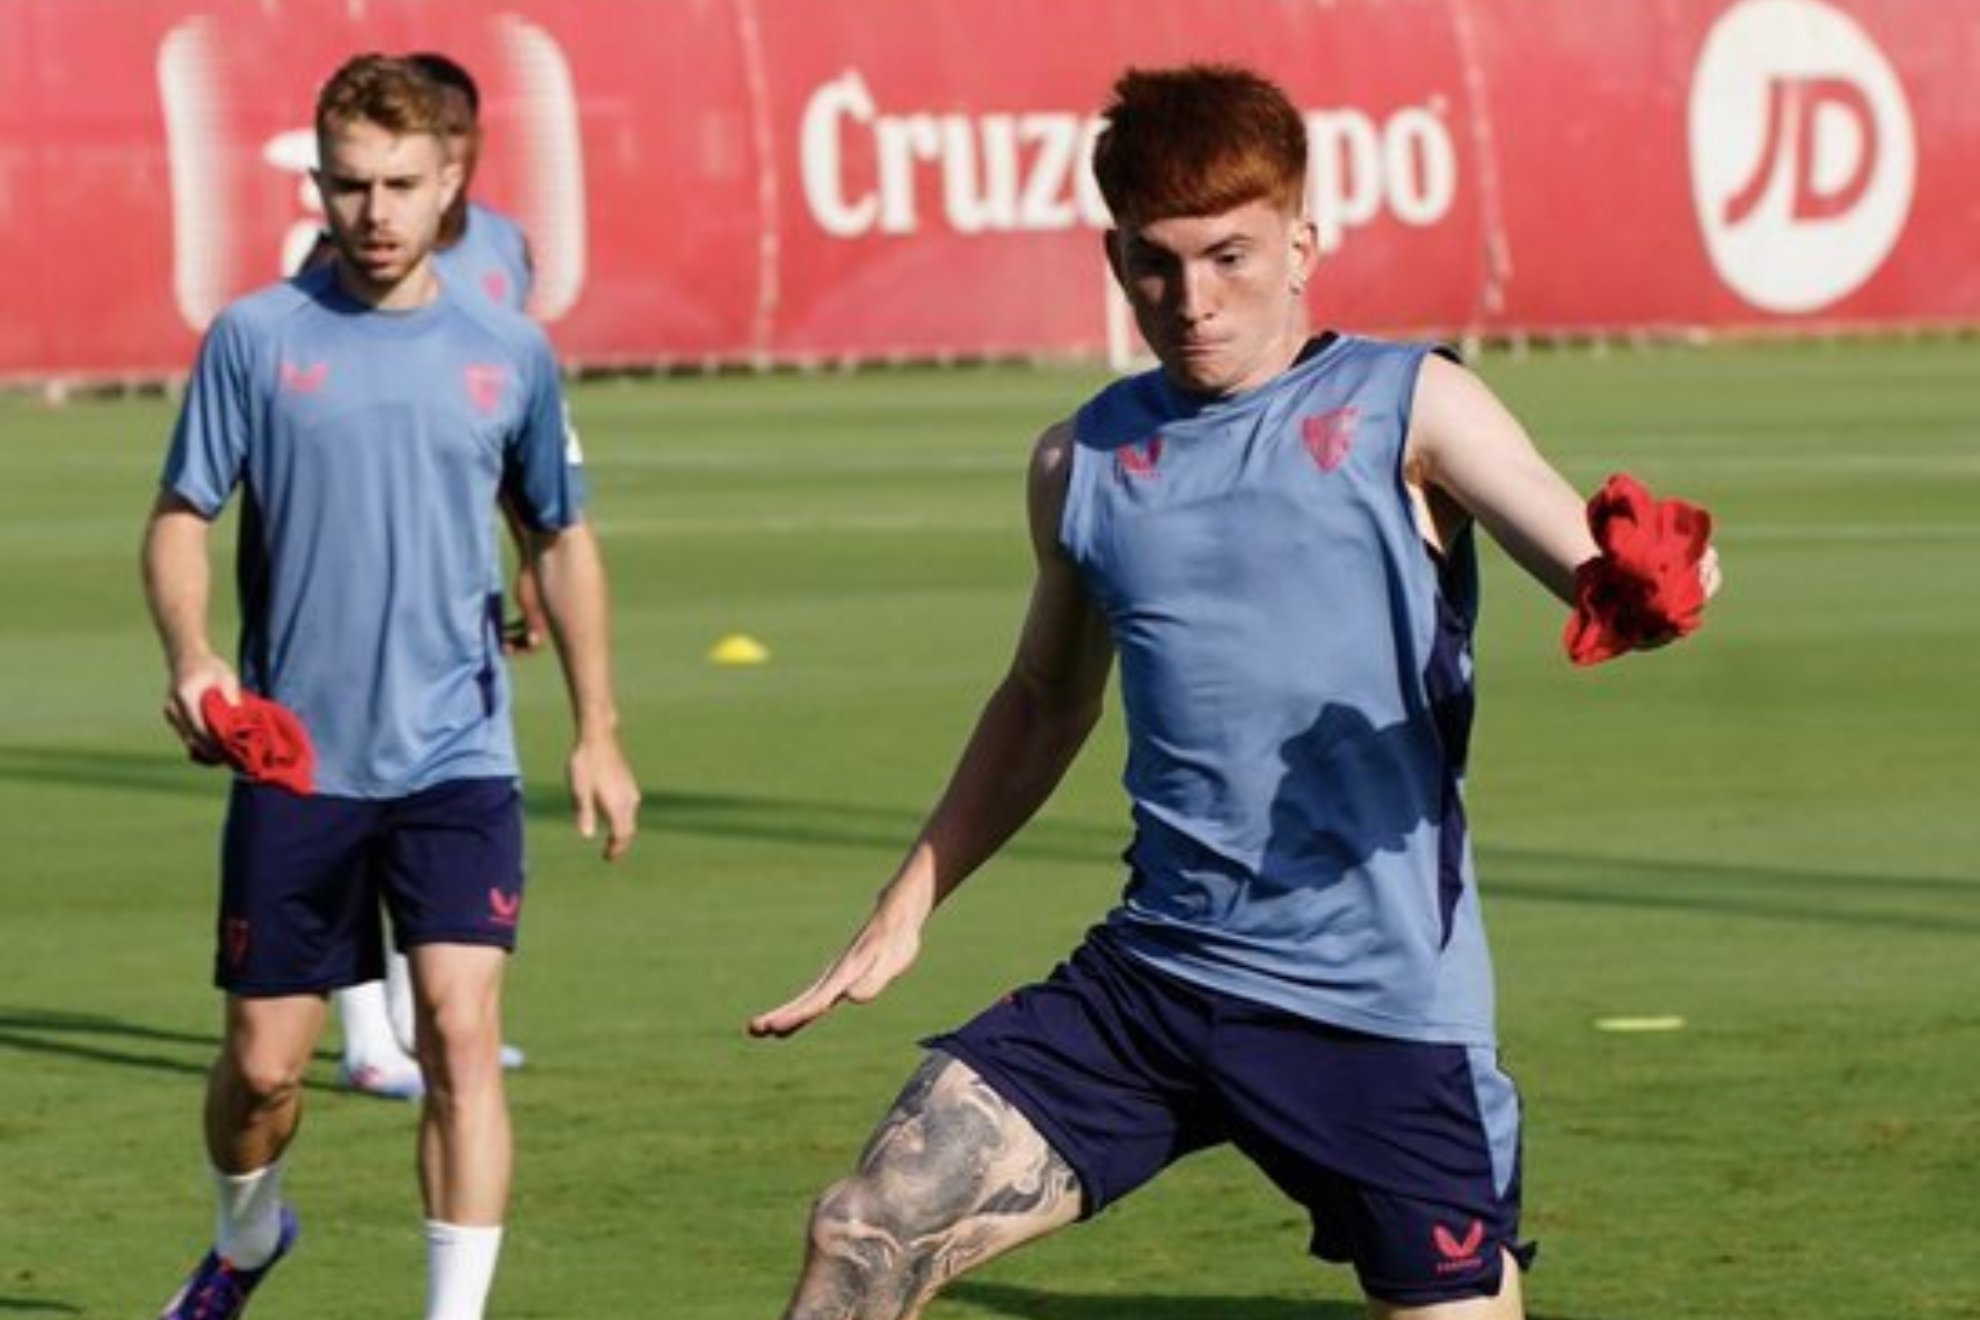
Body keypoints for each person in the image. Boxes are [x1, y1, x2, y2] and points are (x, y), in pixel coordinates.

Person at [749, 63, 1721, 1320]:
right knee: (862, 1233)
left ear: (1304, 243)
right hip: (1153, 984)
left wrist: (1668, 580)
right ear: (1114, 260)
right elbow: (1046, 702)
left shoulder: (1408, 405)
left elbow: (1598, 564)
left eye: (1231, 257)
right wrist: (906, 905)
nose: (1192, 301)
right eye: (1156, 264)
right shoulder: (1083, 458)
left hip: (1374, 1014)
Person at [143, 54, 639, 1320]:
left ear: (451, 181)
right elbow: (182, 515)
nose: (374, 212)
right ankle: (246, 1242)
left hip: (455, 759)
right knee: (262, 1073)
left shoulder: (507, 352)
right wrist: (193, 656)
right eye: (351, 184)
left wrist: (597, 730)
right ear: (318, 180)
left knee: (462, 1037)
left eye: (402, 184)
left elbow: (558, 536)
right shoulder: (255, 338)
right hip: (296, 759)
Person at [325, 50, 543, 1102]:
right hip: (349, 569)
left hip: (457, 570)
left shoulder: (505, 252)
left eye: (454, 141)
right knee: (341, 787)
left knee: (435, 794)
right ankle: (367, 1029)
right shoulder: (338, 263)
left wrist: (533, 557)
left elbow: (508, 426)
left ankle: (427, 1017)